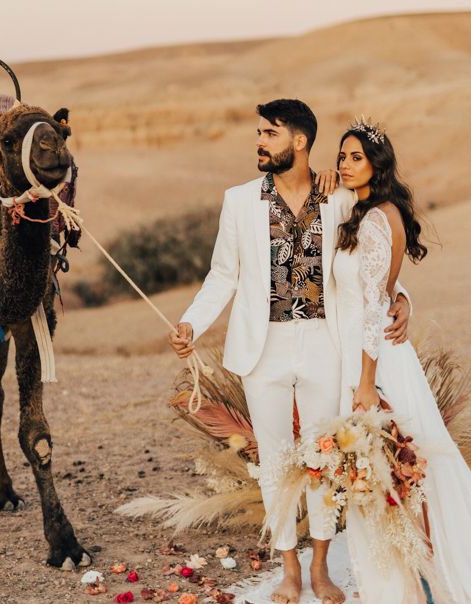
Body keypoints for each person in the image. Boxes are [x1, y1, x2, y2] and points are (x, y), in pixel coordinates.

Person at [168, 99, 411, 604]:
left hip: (326, 343)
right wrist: (191, 321)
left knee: (322, 458)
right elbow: (222, 276)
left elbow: (372, 265)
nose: (259, 141)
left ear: (299, 142)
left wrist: (405, 297)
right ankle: (289, 570)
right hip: (264, 349)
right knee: (277, 462)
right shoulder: (237, 201)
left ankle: (321, 566)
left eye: (270, 134)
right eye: (259, 133)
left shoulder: (339, 199)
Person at [332, 118, 471, 603]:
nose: (346, 165)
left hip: (373, 361)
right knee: (396, 471)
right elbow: (385, 288)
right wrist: (405, 300)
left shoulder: (376, 218)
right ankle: (408, 577)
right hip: (371, 352)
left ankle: (414, 585)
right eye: (342, 156)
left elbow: (376, 302)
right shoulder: (379, 211)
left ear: (378, 164)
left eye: (357, 157)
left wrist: (366, 383)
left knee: (390, 470)